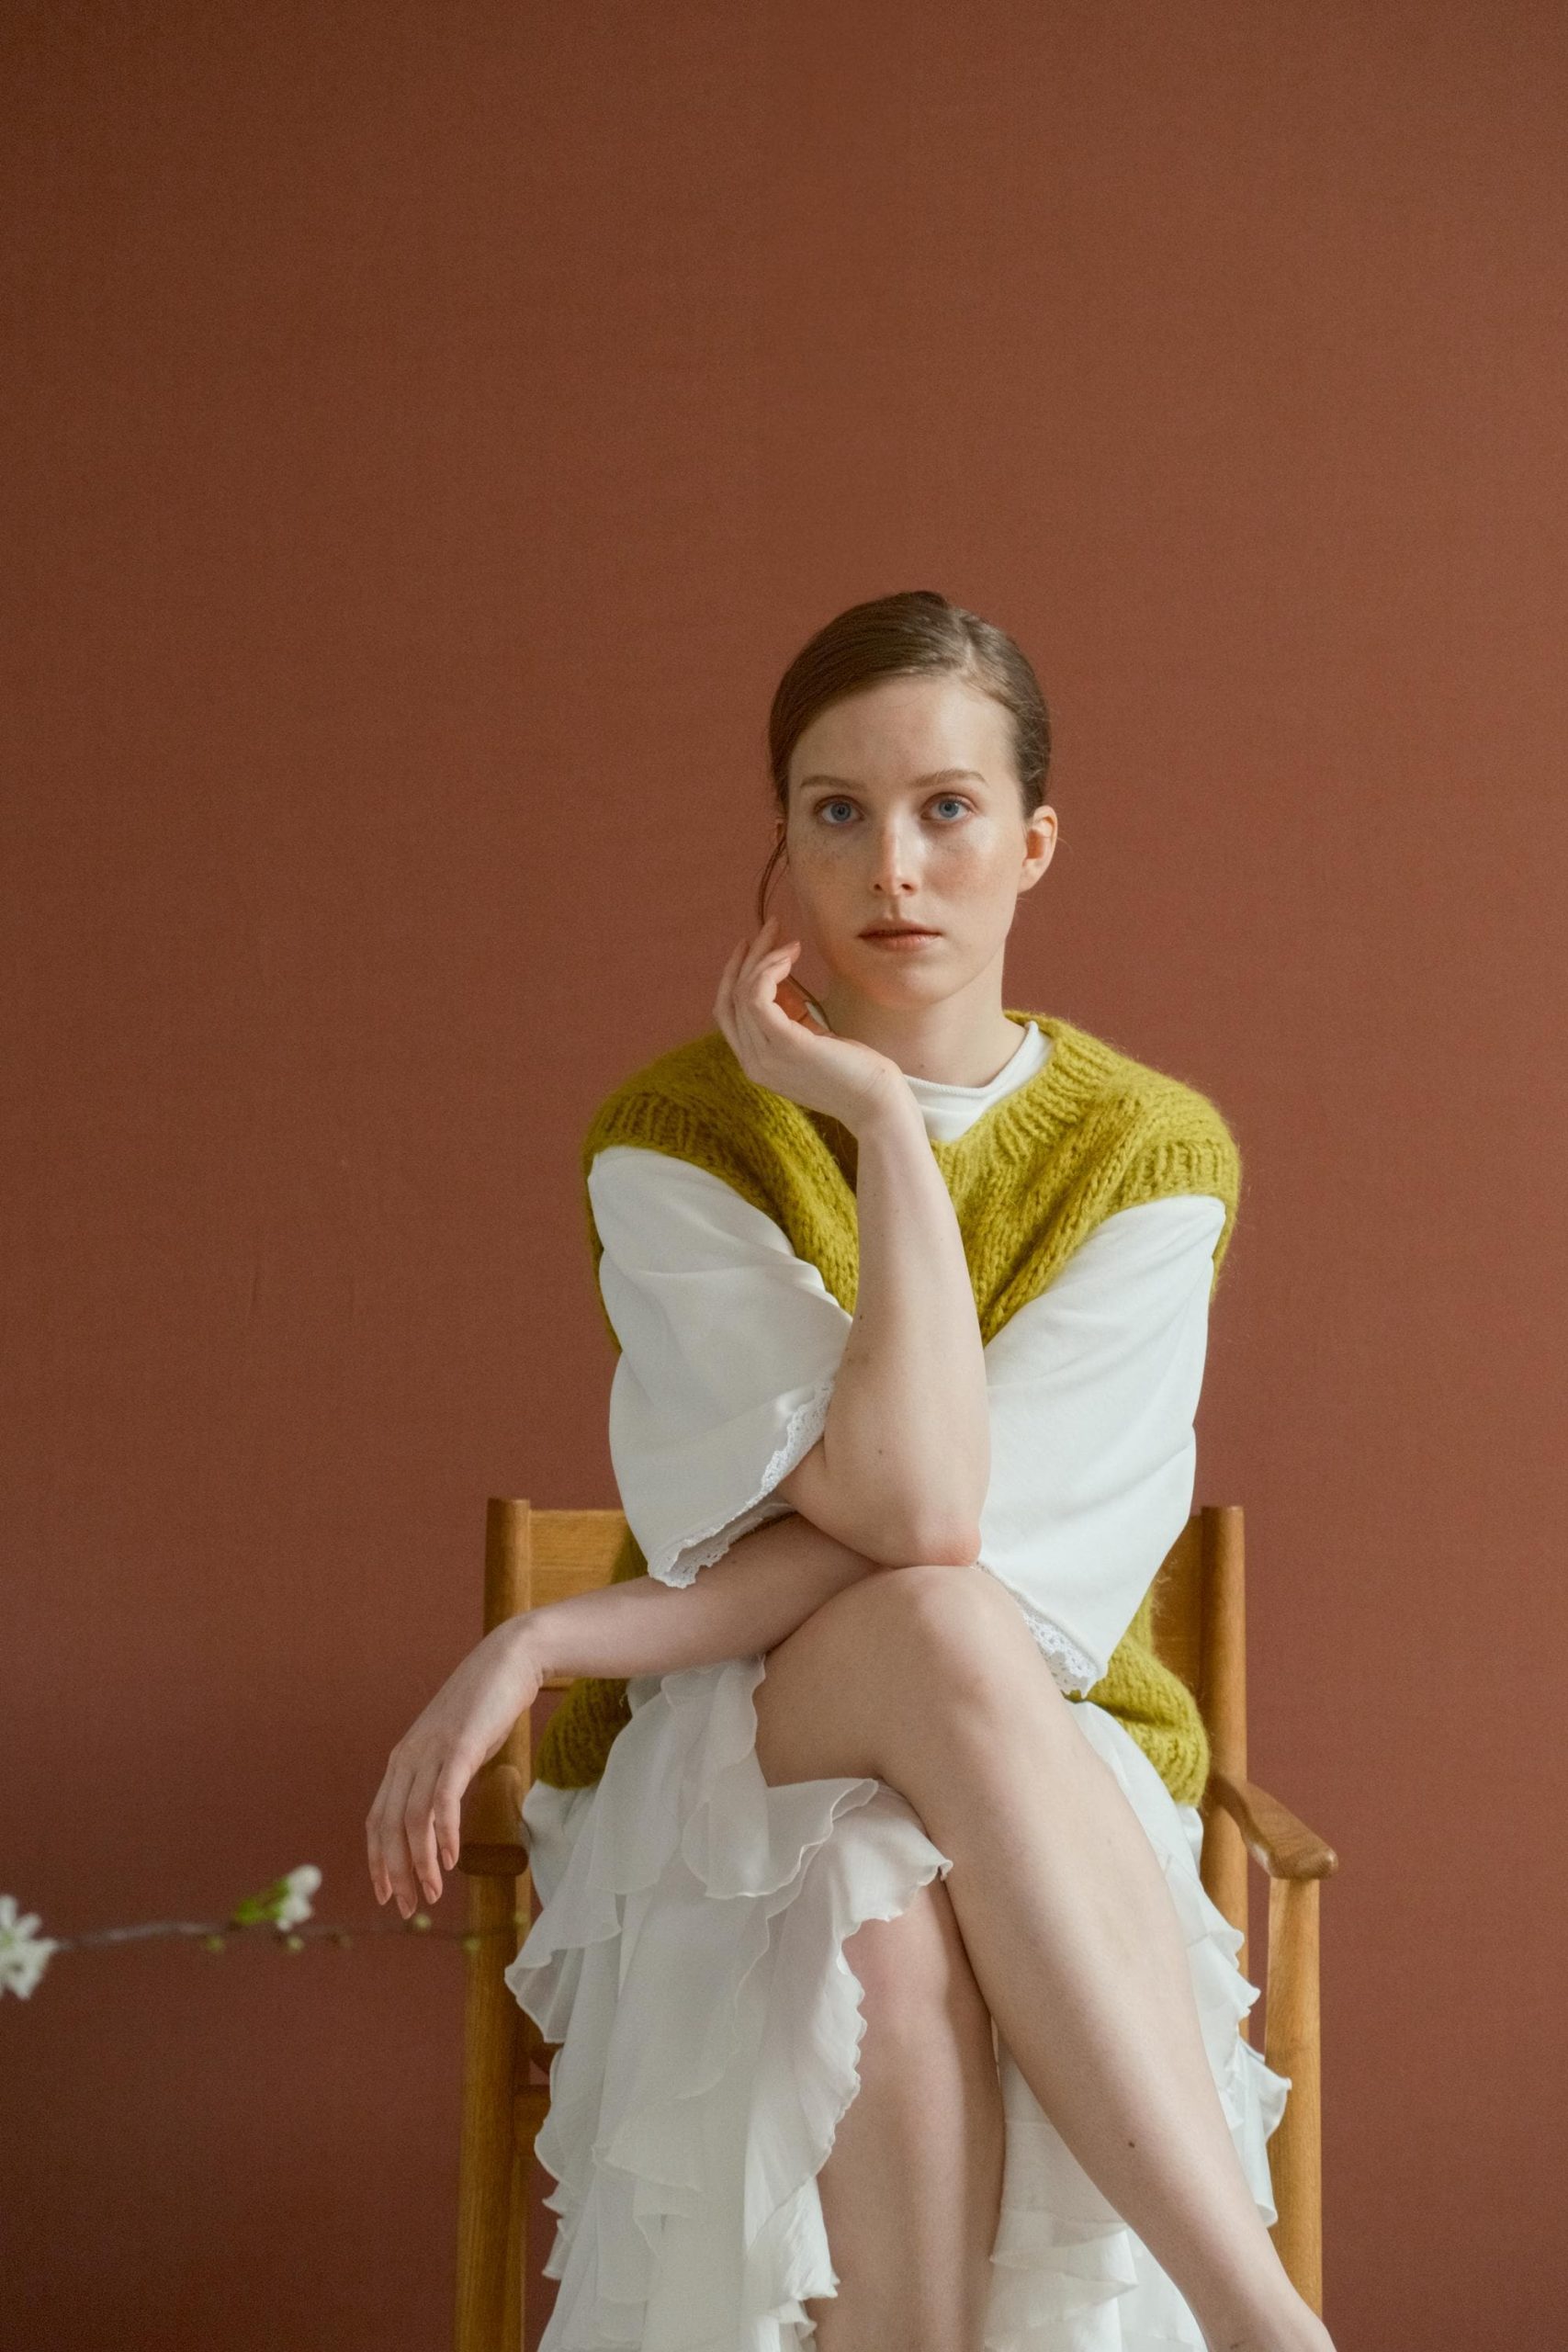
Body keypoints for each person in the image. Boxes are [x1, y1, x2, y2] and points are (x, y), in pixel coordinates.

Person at [366, 590, 1337, 2352]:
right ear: (786, 841)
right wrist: (884, 1123)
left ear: (1034, 843)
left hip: (1044, 1746)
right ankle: (1267, 2325)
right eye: (838, 811)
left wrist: (556, 1635)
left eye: (948, 808)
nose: (894, 865)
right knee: (924, 1640)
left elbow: (964, 1557)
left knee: (877, 1891)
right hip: (729, 1736)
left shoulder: (1150, 1153)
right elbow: (915, 1519)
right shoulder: (679, 1138)